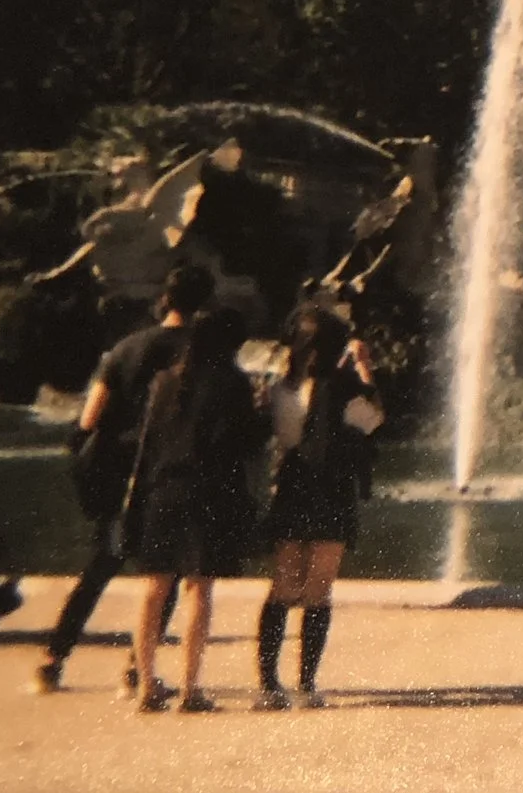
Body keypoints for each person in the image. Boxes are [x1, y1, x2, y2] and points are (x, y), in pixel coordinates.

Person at [33, 263, 213, 697]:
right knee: (167, 575)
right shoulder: (203, 353)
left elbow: (89, 418)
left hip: (120, 471)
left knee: (99, 569)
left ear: (165, 298)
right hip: (171, 471)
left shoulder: (127, 347)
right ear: (205, 304)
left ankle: (53, 659)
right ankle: (138, 667)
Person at [125, 307, 259, 713]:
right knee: (198, 589)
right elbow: (245, 444)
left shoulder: (165, 381)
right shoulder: (232, 383)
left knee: (153, 590)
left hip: (163, 490)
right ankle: (190, 688)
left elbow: (147, 444)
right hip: (209, 494)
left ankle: (145, 683)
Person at [252, 304, 384, 710]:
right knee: (318, 591)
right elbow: (374, 421)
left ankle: (268, 684)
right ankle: (307, 685)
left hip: (293, 486)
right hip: (332, 492)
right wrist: (364, 368)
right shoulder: (344, 389)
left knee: (282, 587)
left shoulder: (281, 388)